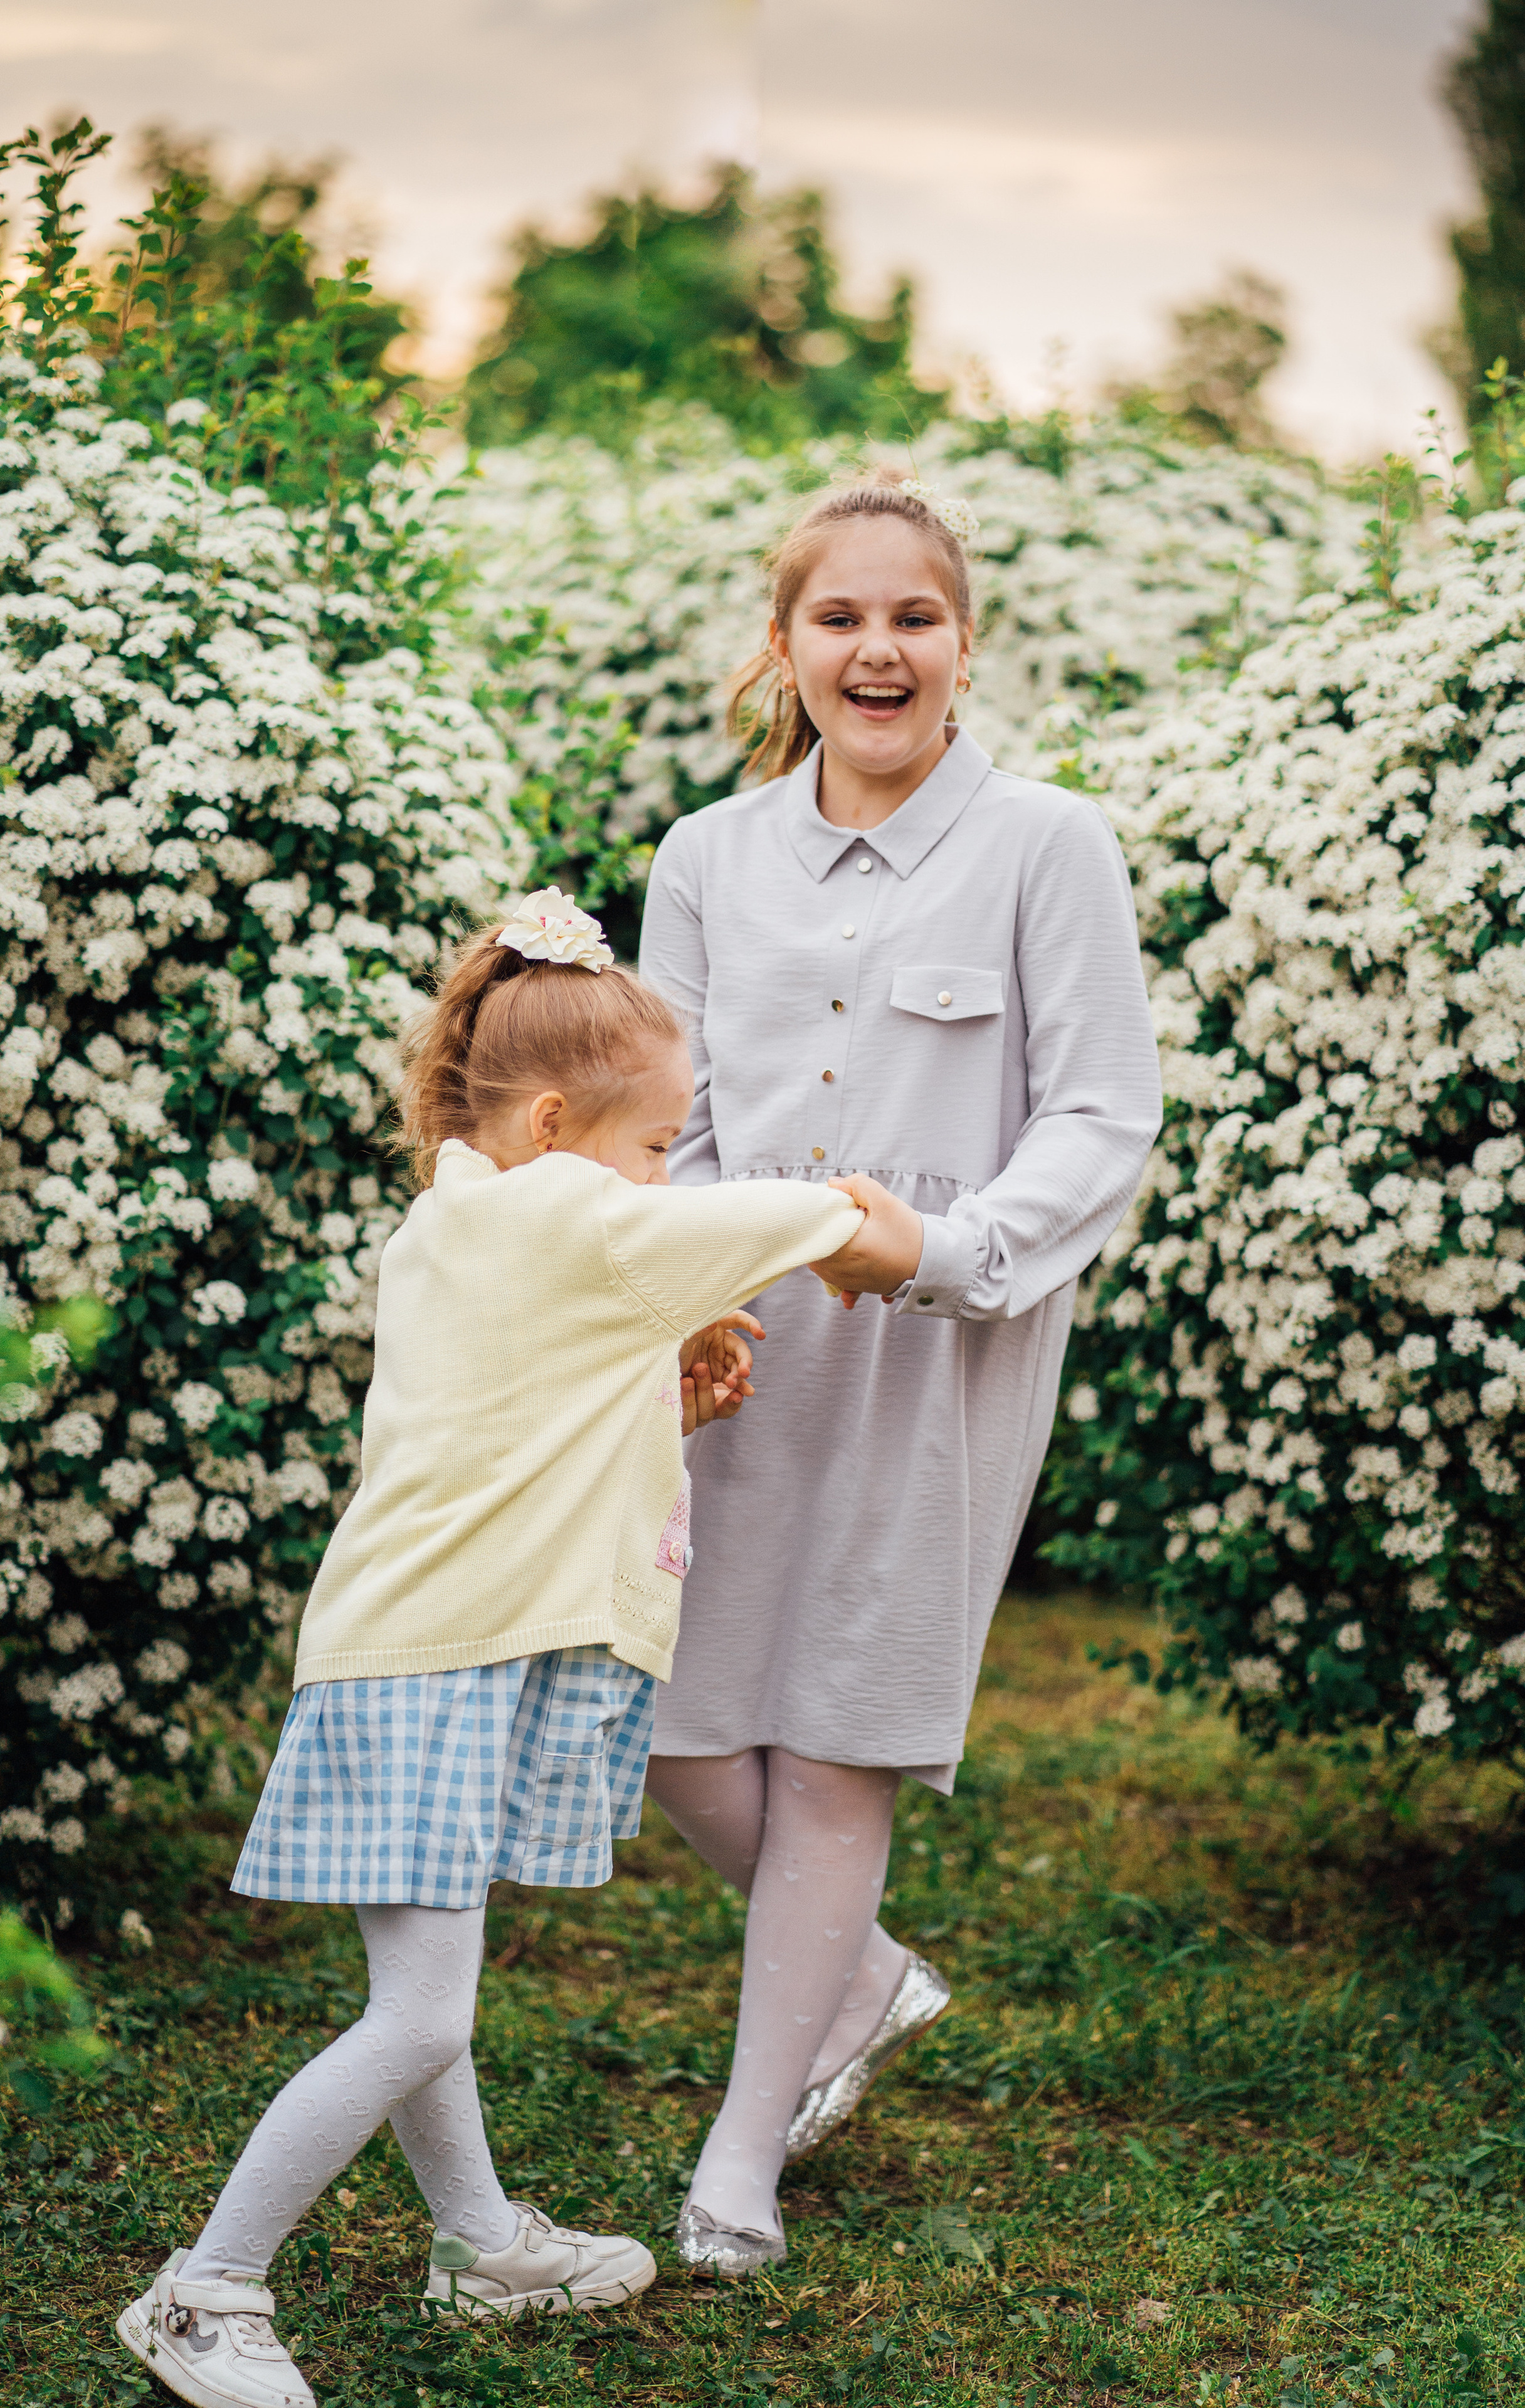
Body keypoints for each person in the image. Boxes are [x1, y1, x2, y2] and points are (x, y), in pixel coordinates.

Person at [116, 888, 867, 2408]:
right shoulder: (556, 1211)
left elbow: (517, 1427)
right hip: (432, 1655)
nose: (664, 1173)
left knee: (428, 1979)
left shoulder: (464, 1219)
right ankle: (204, 2291)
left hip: (429, 1640)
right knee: (418, 2012)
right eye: (655, 1144)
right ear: (545, 1125)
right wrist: (856, 1208)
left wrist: (662, 1395)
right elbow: (765, 1223)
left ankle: (479, 2244)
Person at [639, 471, 1163, 2278]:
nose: (879, 649)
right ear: (783, 644)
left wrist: (937, 1256)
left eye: (912, 617)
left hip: (945, 1342)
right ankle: (853, 1977)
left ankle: (739, 2159)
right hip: (739, 1344)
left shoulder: (1049, 846)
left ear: (966, 643)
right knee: (683, 1716)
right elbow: (673, 1122)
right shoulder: (706, 857)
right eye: (841, 617)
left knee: (840, 1730)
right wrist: (689, 1288)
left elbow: (1103, 1113)